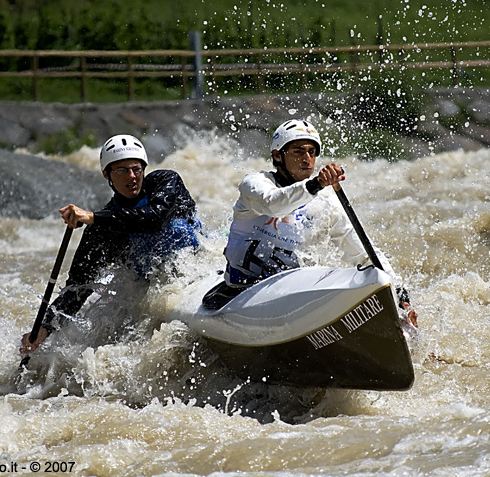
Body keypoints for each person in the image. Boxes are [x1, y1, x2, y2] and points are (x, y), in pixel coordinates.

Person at [204, 119, 417, 327]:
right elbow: (275, 205)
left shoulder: (325, 202)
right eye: (298, 151)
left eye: (312, 152)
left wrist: (399, 295)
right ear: (278, 156)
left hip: (289, 292)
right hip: (241, 291)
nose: (307, 159)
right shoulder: (255, 184)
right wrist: (317, 183)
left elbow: (364, 253)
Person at [21, 134, 201, 353]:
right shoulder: (102, 230)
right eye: (122, 170)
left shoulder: (165, 182)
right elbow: (78, 287)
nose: (132, 176)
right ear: (107, 174)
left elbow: (155, 219)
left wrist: (94, 217)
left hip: (198, 267)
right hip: (155, 288)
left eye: (136, 169)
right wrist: (44, 328)